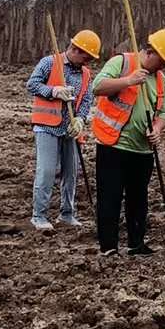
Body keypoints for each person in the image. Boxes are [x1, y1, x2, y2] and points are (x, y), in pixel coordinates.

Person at [90, 29, 165, 255]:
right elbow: (98, 87)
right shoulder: (121, 63)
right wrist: (128, 80)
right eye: (163, 61)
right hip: (113, 145)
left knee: (138, 199)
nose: (164, 67)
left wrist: (157, 130)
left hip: (142, 151)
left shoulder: (161, 80)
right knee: (109, 197)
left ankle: (136, 244)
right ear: (151, 52)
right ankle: (108, 247)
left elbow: (163, 114)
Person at [26, 30, 101, 232]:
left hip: (70, 130)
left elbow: (86, 99)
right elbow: (31, 84)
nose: (88, 62)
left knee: (71, 172)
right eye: (86, 57)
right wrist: (53, 91)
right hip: (46, 127)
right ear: (76, 50)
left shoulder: (85, 73)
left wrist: (80, 119)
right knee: (47, 171)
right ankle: (39, 215)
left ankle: (67, 214)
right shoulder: (50, 63)